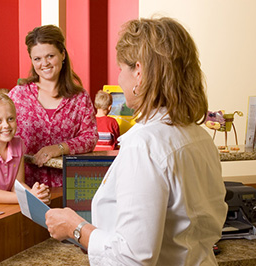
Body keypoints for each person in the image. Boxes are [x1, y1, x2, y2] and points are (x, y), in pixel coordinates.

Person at [45, 17, 228, 265]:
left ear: (139, 72)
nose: (119, 79)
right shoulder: (199, 136)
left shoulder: (145, 144)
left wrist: (75, 228)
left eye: (121, 69)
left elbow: (133, 257)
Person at [9, 25, 98, 188]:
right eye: (37, 59)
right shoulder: (18, 95)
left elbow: (90, 137)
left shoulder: (79, 98)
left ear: (62, 54)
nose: (44, 63)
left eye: (50, 56)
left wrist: (59, 148)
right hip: (27, 187)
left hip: (68, 186)